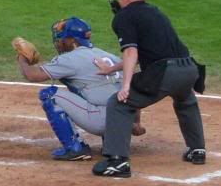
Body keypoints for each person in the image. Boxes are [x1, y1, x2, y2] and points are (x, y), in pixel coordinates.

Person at [92, 0, 206, 178]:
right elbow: (149, 51)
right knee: (185, 100)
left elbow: (131, 52)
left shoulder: (124, 17)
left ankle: (117, 161)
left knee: (119, 104)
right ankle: (197, 150)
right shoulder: (155, 12)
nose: (118, 1)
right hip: (189, 69)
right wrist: (112, 69)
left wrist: (125, 86)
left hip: (166, 72)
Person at [16, 18, 144, 161]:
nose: (58, 42)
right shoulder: (108, 56)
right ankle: (112, 143)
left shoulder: (70, 59)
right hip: (125, 120)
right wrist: (136, 122)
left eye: (61, 38)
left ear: (72, 41)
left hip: (102, 121)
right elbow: (132, 87)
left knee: (50, 95)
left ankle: (75, 148)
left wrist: (22, 58)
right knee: (99, 90)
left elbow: (32, 75)